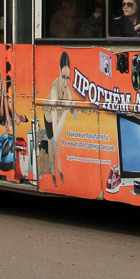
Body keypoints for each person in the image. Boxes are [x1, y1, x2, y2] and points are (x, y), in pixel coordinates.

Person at [43, 51, 77, 186]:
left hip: (57, 114)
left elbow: (74, 111)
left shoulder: (66, 88)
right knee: (53, 144)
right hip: (49, 117)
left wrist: (74, 110)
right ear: (59, 72)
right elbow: (55, 133)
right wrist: (66, 112)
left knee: (57, 145)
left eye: (68, 78)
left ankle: (60, 170)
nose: (66, 81)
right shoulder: (54, 89)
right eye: (64, 77)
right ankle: (53, 172)